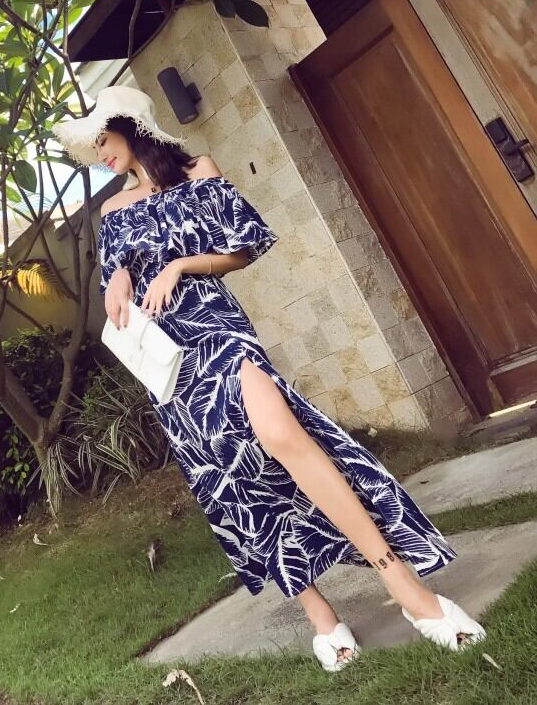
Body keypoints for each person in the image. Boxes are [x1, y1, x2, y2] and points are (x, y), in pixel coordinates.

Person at [53, 84, 486, 672]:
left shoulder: (198, 172)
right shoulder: (111, 212)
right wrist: (119, 279)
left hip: (217, 330)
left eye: (105, 139)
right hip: (168, 365)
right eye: (94, 147)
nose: (101, 154)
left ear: (132, 126)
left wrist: (179, 265)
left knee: (284, 437)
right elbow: (115, 291)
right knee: (235, 479)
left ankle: (405, 586)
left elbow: (243, 248)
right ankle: (320, 614)